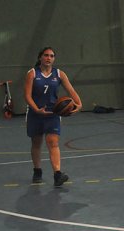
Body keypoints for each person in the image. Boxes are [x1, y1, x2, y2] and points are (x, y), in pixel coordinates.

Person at [24, 47, 82, 187]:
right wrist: (37, 109)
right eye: (46, 55)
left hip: (52, 113)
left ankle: (57, 174)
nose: (49, 58)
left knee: (53, 142)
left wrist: (79, 104)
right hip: (35, 113)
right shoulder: (32, 73)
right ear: (40, 57)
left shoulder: (59, 74)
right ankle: (37, 171)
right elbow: (27, 96)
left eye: (51, 56)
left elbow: (71, 90)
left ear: (54, 59)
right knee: (36, 143)